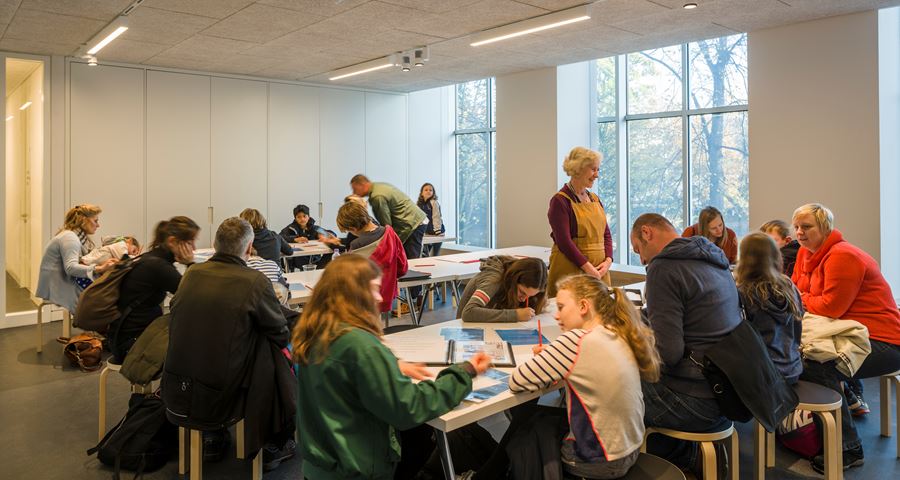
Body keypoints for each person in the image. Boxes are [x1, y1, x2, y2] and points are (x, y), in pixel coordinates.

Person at [292, 255, 491, 480]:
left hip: (321, 464)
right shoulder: (362, 346)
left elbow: (344, 371)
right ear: (354, 293)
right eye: (374, 289)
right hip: (357, 469)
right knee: (422, 434)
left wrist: (391, 365)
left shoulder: (315, 331)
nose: (379, 297)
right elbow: (409, 407)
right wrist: (464, 372)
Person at [484, 275, 661, 480]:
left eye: (561, 307)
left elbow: (517, 380)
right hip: (629, 450)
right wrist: (555, 356)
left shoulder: (576, 340)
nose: (557, 316)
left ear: (584, 306)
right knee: (537, 418)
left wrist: (551, 357)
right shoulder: (617, 333)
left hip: (598, 461)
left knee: (527, 425)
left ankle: (487, 475)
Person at [162, 217, 297, 471]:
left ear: (214, 245)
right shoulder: (255, 281)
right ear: (249, 248)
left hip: (176, 389)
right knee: (270, 352)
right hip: (223, 395)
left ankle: (213, 436)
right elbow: (280, 334)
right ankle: (275, 440)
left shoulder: (191, 274)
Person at [790, 203, 900, 473]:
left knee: (816, 365)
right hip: (851, 334)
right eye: (797, 227)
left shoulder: (843, 256)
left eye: (806, 227)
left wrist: (803, 299)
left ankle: (846, 448)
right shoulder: (806, 253)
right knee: (804, 358)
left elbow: (830, 307)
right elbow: (796, 292)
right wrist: (805, 298)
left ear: (824, 228)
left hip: (884, 341)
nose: (799, 233)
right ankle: (841, 417)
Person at [630, 213, 741, 473]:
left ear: (647, 232)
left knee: (613, 386)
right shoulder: (714, 257)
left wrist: (631, 341)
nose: (642, 260)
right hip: (729, 392)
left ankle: (677, 460)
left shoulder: (662, 268)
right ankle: (685, 456)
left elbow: (667, 354)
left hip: (696, 401)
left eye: (638, 250)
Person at [110, 216, 199, 362]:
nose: (194, 248)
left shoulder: (150, 258)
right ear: (172, 241)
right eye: (190, 242)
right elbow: (192, 296)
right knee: (199, 344)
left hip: (124, 336)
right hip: (132, 344)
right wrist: (190, 263)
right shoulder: (159, 267)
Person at [735, 232, 804, 384]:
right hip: (793, 369)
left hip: (764, 375)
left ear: (744, 259)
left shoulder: (743, 293)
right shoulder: (789, 286)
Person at [547, 147, 614, 298]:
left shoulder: (595, 199)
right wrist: (588, 268)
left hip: (599, 271)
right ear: (578, 169)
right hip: (571, 271)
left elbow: (606, 235)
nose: (597, 175)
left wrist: (608, 261)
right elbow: (564, 242)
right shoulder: (560, 201)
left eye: (598, 170)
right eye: (593, 169)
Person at [36, 204, 117, 313]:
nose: (98, 225)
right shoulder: (70, 238)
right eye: (95, 221)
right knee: (108, 298)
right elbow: (71, 268)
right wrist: (100, 268)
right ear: (84, 220)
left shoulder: (73, 236)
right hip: (59, 286)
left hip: (61, 282)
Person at [336, 201, 408, 313]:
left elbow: (348, 277)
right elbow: (402, 267)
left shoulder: (357, 245)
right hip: (387, 291)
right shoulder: (390, 232)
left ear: (353, 228)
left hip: (364, 299)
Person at [350, 174, 427, 265]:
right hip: (414, 220)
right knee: (406, 258)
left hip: (412, 223)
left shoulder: (377, 197)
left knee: (410, 260)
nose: (354, 193)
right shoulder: (380, 186)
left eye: (355, 189)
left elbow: (387, 225)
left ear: (362, 185)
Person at [457, 256, 547, 323]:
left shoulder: (514, 276)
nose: (524, 299)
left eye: (530, 296)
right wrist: (515, 315)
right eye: (522, 292)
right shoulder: (493, 279)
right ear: (514, 279)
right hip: (467, 330)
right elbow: (468, 312)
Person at [280, 204, 340, 268]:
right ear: (295, 218)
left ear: (308, 217)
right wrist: (294, 239)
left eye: (304, 216)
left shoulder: (315, 228)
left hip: (315, 258)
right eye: (299, 217)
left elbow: (332, 235)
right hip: (298, 259)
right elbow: (279, 237)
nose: (302, 219)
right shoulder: (291, 228)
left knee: (332, 254)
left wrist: (323, 235)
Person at [417, 183, 445, 257]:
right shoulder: (419, 204)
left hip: (437, 232)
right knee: (425, 254)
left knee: (435, 255)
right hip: (427, 233)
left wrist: (438, 232)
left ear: (433, 193)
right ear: (422, 193)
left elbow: (436, 217)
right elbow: (419, 219)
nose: (428, 191)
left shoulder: (434, 202)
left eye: (430, 190)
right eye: (426, 190)